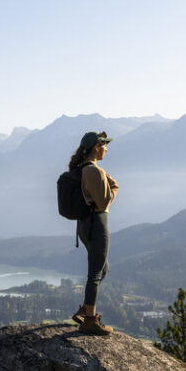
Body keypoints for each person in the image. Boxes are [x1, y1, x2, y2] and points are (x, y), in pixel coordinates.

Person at [68, 131, 118, 336]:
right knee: (96, 273)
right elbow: (104, 201)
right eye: (104, 145)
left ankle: (85, 309)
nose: (106, 148)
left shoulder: (81, 170)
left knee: (102, 269)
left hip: (84, 225)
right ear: (96, 147)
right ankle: (90, 320)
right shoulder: (94, 172)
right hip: (97, 224)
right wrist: (113, 184)